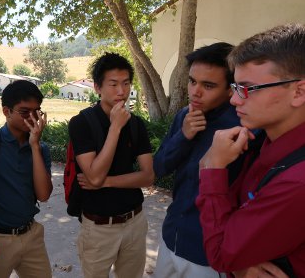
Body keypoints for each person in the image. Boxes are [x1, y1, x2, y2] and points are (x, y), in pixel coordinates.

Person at [196, 24, 305, 277]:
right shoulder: (264, 141)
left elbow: (221, 253)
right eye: (235, 88)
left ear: (299, 91)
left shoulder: (296, 183)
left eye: (247, 89)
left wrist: (212, 168)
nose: (234, 100)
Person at [153, 43, 245, 277]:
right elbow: (159, 167)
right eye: (192, 81)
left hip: (207, 255)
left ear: (230, 90)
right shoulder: (185, 115)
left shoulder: (242, 127)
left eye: (208, 85)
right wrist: (183, 136)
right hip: (170, 236)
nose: (195, 92)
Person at [68, 52, 154, 278]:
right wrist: (115, 128)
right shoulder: (81, 124)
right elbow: (93, 175)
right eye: (113, 84)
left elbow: (147, 176)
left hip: (134, 222)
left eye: (126, 83)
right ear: (97, 87)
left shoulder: (136, 125)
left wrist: (106, 183)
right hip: (98, 228)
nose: (121, 91)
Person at [0, 79, 53, 278]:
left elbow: (43, 195)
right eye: (24, 112)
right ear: (6, 111)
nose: (32, 118)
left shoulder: (41, 149)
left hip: (31, 236)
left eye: (37, 111)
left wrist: (34, 146)